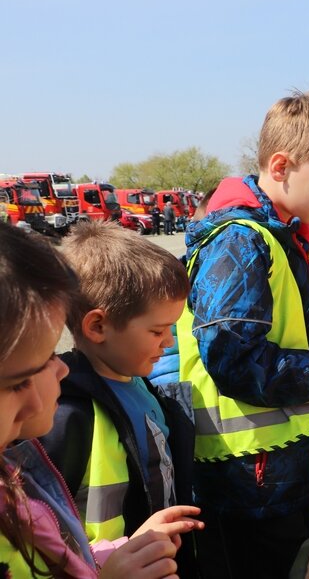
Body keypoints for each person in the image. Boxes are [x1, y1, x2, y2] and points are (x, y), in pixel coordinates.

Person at [178, 87, 309, 579]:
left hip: (281, 472)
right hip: (242, 480)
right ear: (280, 167)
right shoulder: (240, 242)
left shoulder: (291, 238)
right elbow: (236, 361)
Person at [0, 222, 201, 578]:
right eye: (157, 331)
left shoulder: (142, 388)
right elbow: (51, 527)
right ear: (97, 327)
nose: (169, 342)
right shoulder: (61, 415)